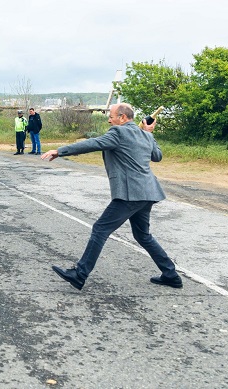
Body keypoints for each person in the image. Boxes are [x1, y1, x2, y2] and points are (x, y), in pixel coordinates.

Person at [41, 103, 181, 291]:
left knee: (100, 229)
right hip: (147, 192)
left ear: (123, 118)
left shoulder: (118, 133)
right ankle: (170, 274)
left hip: (130, 193)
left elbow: (92, 143)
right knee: (143, 235)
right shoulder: (145, 135)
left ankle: (79, 274)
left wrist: (60, 151)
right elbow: (157, 155)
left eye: (112, 116)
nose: (109, 119)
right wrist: (149, 133)